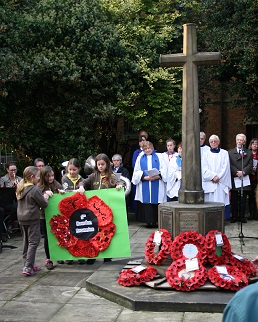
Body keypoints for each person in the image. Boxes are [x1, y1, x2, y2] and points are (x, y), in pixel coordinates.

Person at [80, 153, 122, 265]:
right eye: (98, 164)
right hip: (94, 211)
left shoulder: (111, 176)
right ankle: (92, 255)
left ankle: (107, 256)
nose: (100, 166)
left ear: (107, 164)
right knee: (93, 232)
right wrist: (81, 187)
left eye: (103, 164)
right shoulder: (94, 175)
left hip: (106, 211)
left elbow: (118, 182)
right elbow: (84, 181)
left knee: (105, 233)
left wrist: (118, 186)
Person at [16, 166, 50, 276]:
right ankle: (28, 266)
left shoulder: (21, 187)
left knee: (26, 241)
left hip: (22, 218)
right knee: (34, 242)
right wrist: (46, 196)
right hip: (32, 218)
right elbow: (44, 204)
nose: (39, 179)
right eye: (38, 177)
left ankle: (27, 263)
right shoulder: (34, 189)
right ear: (32, 177)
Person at [132, 141, 167, 228]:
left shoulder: (160, 156)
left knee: (156, 201)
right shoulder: (140, 158)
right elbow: (136, 171)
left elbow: (164, 169)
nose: (147, 150)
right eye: (145, 149)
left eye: (149, 148)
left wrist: (158, 176)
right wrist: (144, 177)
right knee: (147, 203)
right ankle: (148, 222)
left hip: (157, 182)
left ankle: (156, 221)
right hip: (145, 183)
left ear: (152, 148)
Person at [61, 158, 85, 264]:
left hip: (79, 210)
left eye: (74, 170)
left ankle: (80, 255)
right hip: (68, 210)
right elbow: (66, 191)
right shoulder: (65, 179)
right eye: (70, 170)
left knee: (79, 232)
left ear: (78, 169)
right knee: (69, 233)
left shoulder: (82, 180)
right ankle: (69, 256)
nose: (72, 172)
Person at [201, 135, 232, 220]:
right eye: (211, 141)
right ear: (209, 143)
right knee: (210, 202)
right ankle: (210, 220)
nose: (213, 143)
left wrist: (218, 177)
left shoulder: (224, 153)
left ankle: (220, 220)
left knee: (220, 201)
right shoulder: (205, 154)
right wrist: (212, 176)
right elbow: (204, 168)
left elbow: (225, 167)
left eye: (215, 141)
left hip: (220, 183)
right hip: (210, 182)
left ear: (218, 142)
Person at [38, 166, 63, 270]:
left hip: (56, 215)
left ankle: (59, 256)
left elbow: (62, 192)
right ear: (43, 177)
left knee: (59, 235)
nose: (51, 178)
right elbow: (38, 199)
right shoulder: (39, 186)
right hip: (43, 216)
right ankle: (49, 259)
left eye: (52, 175)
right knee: (47, 238)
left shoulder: (56, 183)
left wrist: (61, 192)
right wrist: (44, 194)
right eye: (48, 176)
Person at [228, 133, 253, 223]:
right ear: (236, 141)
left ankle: (242, 216)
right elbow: (229, 164)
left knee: (243, 198)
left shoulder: (248, 153)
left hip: (244, 178)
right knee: (234, 198)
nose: (239, 141)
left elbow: (250, 165)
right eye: (238, 140)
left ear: (244, 141)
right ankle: (234, 216)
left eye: (241, 140)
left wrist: (243, 172)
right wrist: (236, 172)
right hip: (235, 177)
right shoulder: (230, 152)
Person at [0, 162, 22, 233]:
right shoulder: (3, 179)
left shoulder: (19, 179)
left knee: (19, 205)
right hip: (7, 202)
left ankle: (11, 222)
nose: (13, 172)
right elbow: (3, 192)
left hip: (17, 200)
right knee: (16, 206)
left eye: (15, 170)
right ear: (7, 170)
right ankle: (10, 222)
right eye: (11, 170)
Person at [131, 135, 147, 214]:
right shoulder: (136, 152)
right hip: (140, 176)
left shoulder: (149, 151)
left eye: (144, 140)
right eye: (141, 141)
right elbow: (134, 164)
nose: (142, 142)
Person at [247, 138, 258, 220]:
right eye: (253, 144)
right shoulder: (247, 154)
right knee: (251, 197)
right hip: (249, 178)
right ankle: (251, 214)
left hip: (256, 178)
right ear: (251, 145)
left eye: (256, 144)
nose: (255, 145)